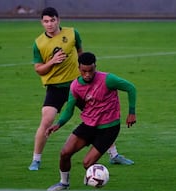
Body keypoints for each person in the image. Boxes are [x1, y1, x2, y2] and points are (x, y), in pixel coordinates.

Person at [29, 7, 133, 171]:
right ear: (42, 22)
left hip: (78, 87)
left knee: (100, 117)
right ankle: (36, 160)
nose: (49, 24)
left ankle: (114, 155)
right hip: (55, 87)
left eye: (52, 20)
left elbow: (80, 53)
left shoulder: (72, 33)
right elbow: (38, 69)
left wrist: (84, 74)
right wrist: (53, 61)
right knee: (47, 120)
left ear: (58, 20)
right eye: (46, 21)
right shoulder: (39, 43)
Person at [46, 52, 137, 191]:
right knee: (65, 153)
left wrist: (131, 112)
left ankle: (99, 178)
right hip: (88, 125)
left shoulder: (108, 79)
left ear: (95, 67)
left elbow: (131, 87)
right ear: (79, 68)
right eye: (84, 71)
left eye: (91, 71)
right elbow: (69, 109)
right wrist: (59, 123)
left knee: (87, 163)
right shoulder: (75, 86)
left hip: (109, 127)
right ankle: (64, 183)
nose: (87, 74)